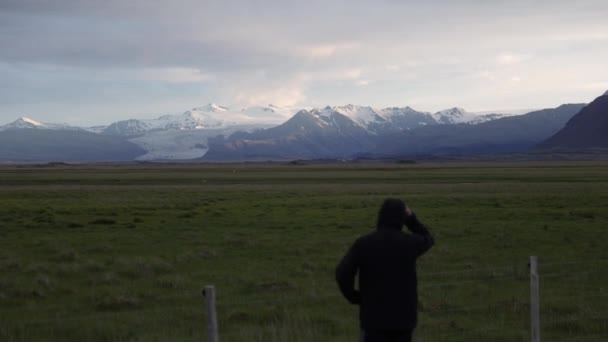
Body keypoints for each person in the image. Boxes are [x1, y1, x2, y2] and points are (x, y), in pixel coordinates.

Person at [336, 198, 434, 342]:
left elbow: (342, 274)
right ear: (402, 218)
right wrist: (411, 218)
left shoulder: (364, 244)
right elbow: (428, 238)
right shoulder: (410, 243)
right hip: (403, 321)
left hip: (373, 321)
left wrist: (355, 297)